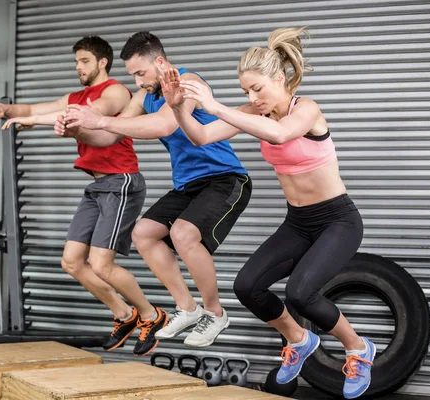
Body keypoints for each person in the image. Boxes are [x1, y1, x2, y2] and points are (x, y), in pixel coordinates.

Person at [160, 27, 375, 398]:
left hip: (337, 220)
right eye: (246, 91)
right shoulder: (248, 113)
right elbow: (200, 136)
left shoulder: (306, 109)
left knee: (301, 293)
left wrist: (215, 106)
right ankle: (298, 338)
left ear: (279, 77)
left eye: (257, 88)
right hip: (299, 222)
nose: (252, 97)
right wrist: (178, 105)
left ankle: (358, 348)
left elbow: (279, 135)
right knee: (247, 286)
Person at [57, 32, 252, 348]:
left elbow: (165, 125)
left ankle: (215, 313)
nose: (137, 81)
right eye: (132, 74)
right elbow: (109, 138)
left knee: (183, 234)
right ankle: (187, 308)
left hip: (225, 178)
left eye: (140, 73)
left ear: (159, 62)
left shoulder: (186, 82)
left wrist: (102, 121)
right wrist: (78, 130)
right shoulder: (144, 96)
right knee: (143, 233)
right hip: (188, 185)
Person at [0, 36, 166, 356]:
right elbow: (34, 107)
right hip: (96, 187)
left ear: (102, 62)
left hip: (120, 182)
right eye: (76, 61)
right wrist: (5, 108)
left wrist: (35, 120)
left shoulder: (116, 91)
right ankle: (124, 314)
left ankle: (152, 316)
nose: (78, 67)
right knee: (72, 262)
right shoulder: (76, 95)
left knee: (101, 264)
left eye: (84, 61)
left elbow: (91, 113)